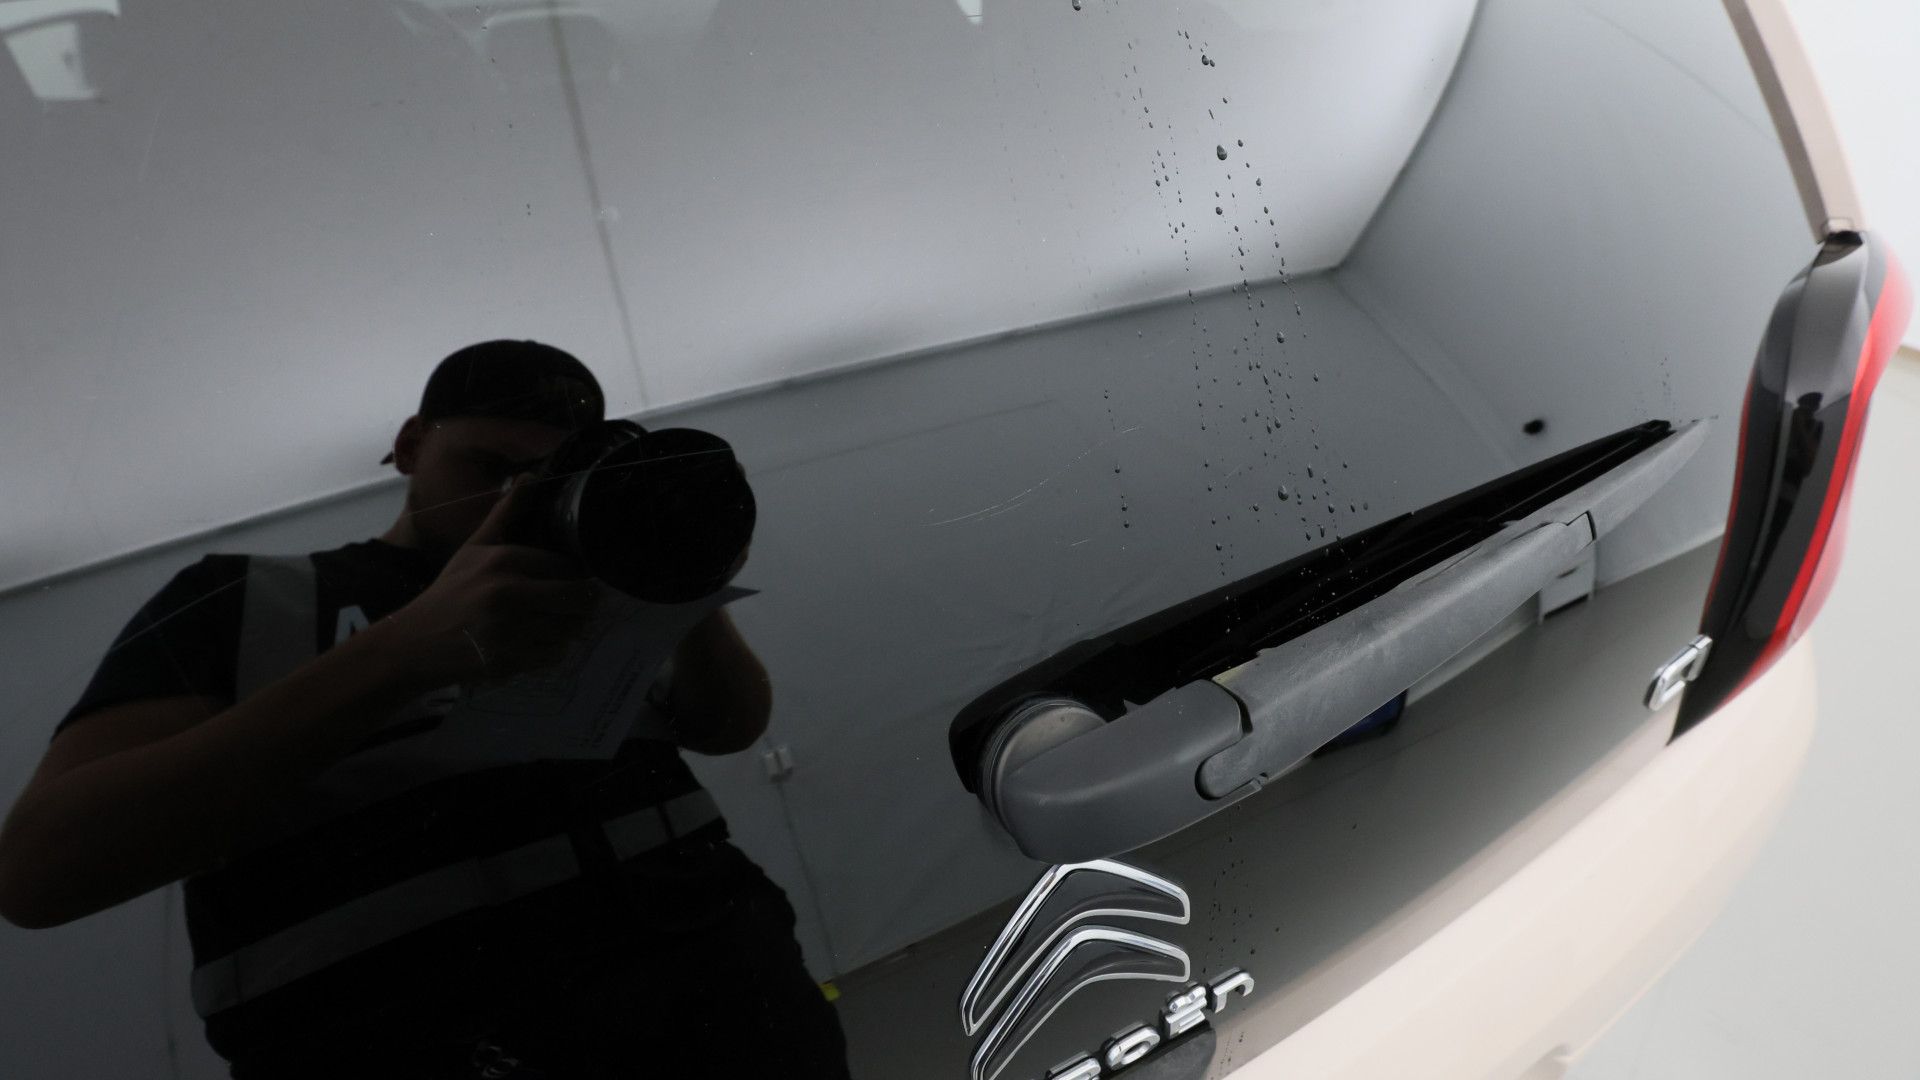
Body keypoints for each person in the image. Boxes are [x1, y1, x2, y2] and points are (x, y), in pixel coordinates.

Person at [0, 341, 849, 1079]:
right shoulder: (242, 598)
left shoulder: (599, 585)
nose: (513, 497)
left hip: (735, 1008)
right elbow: (40, 872)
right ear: (409, 445)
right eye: (489, 467)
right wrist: (402, 653)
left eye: (546, 477)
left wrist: (683, 581)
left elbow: (729, 729)